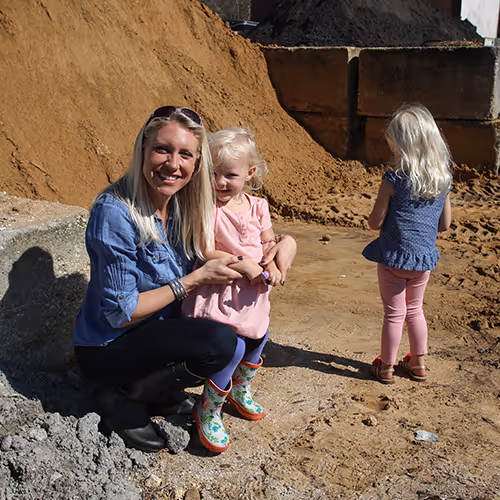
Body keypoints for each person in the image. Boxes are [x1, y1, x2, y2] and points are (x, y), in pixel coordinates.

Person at [73, 106, 297, 453]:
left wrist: (286, 243)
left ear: (197, 163)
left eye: (185, 154)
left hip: (157, 329)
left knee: (232, 332)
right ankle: (120, 393)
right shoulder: (115, 212)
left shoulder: (183, 202)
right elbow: (121, 313)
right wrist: (195, 279)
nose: (173, 164)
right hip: (110, 345)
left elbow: (246, 236)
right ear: (143, 148)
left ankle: (157, 391)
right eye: (162, 149)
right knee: (220, 342)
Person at [182, 127, 280, 453]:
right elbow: (204, 249)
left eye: (230, 175)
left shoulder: (258, 206)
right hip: (221, 289)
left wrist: (273, 264)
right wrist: (243, 264)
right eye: (213, 174)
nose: (220, 182)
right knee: (234, 347)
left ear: (250, 173)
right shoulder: (208, 207)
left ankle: (239, 389)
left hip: (252, 293)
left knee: (259, 337)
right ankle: (209, 407)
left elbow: (269, 243)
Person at [362, 104, 452, 385]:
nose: (393, 153)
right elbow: (445, 225)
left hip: (393, 258)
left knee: (394, 314)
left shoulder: (393, 179)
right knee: (415, 310)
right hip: (423, 260)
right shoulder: (442, 181)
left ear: (402, 146)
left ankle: (386, 367)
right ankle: (418, 364)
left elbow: (375, 222)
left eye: (394, 148)